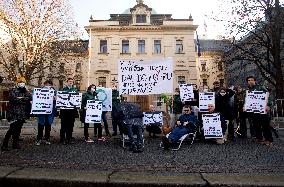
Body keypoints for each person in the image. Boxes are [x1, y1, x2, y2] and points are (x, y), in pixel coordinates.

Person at [1, 77, 32, 151]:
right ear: (17, 83)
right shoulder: (13, 90)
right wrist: (24, 99)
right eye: (20, 82)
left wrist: (21, 98)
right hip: (13, 114)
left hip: (21, 114)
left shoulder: (26, 91)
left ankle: (15, 144)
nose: (22, 83)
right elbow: (14, 99)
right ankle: (4, 145)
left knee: (18, 129)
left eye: (23, 82)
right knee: (12, 129)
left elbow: (30, 97)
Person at [245, 76, 273, 145]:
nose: (250, 81)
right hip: (253, 111)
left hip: (262, 110)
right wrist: (245, 106)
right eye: (248, 80)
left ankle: (268, 140)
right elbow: (247, 100)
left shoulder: (260, 87)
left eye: (252, 80)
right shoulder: (248, 90)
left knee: (265, 125)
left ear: (255, 81)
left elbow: (267, 96)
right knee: (256, 125)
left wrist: (268, 105)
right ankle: (259, 138)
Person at [35, 80, 56, 146]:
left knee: (48, 126)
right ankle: (39, 139)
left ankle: (47, 139)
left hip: (50, 112)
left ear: (51, 86)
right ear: (44, 85)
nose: (48, 86)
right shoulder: (39, 91)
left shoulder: (54, 92)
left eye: (49, 85)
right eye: (46, 85)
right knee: (40, 126)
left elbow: (56, 102)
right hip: (42, 112)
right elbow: (36, 98)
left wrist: (55, 99)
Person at [59, 77, 78, 145]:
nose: (70, 82)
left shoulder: (75, 90)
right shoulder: (63, 89)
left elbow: (77, 100)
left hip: (72, 111)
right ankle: (62, 139)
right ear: (67, 82)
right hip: (64, 111)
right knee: (63, 125)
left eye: (72, 82)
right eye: (69, 81)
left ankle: (69, 138)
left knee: (71, 125)